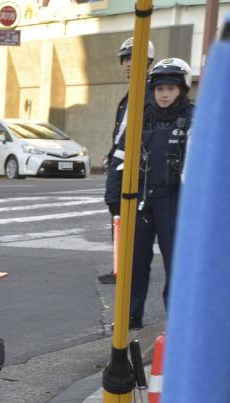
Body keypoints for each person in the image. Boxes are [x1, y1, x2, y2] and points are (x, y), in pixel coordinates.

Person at [105, 57, 194, 329]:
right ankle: (130, 316)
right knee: (133, 262)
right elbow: (120, 157)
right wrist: (113, 195)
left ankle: (178, 320)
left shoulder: (193, 119)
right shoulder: (142, 120)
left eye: (170, 88)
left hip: (175, 201)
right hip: (142, 198)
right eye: (159, 89)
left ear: (181, 90)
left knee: (177, 263)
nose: (164, 94)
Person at [101, 36, 156, 285]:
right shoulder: (131, 93)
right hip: (120, 163)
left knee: (125, 214)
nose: (129, 63)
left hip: (133, 167)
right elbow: (122, 131)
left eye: (135, 58)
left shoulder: (150, 91)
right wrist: (112, 153)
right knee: (117, 211)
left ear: (148, 61)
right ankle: (120, 267)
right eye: (125, 59)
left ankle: (125, 270)